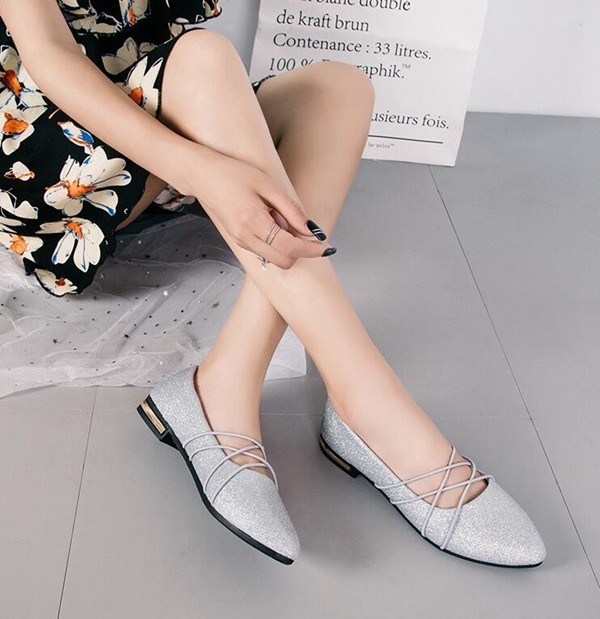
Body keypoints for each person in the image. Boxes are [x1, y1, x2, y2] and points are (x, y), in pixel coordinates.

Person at [0, 0, 546, 567]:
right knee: (203, 57)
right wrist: (202, 170)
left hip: (150, 113)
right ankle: (374, 409)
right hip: (43, 161)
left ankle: (225, 383)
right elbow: (51, 57)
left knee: (338, 89)